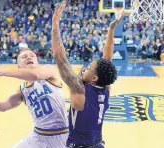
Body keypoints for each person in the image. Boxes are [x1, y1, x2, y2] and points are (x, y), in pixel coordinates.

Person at [51, 1, 122, 147]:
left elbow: (60, 58)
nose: (84, 68)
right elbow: (107, 59)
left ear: (94, 78)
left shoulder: (79, 89)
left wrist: (55, 25)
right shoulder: (105, 88)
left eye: (89, 68)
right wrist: (110, 29)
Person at [0, 48, 68, 148]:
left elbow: (36, 75)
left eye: (32, 55)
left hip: (61, 134)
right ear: (19, 66)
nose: (29, 57)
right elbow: (2, 106)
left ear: (37, 61)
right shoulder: (22, 89)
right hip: (38, 135)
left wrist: (1, 72)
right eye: (24, 57)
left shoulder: (48, 70)